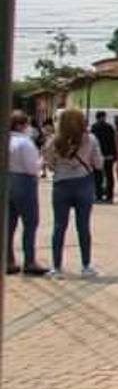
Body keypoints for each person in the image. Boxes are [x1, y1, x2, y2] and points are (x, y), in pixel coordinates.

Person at [43, 108, 103, 278]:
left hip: (61, 184)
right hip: (84, 183)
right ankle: (85, 266)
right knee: (83, 226)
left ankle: (56, 267)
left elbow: (50, 165)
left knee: (59, 226)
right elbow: (98, 164)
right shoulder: (90, 139)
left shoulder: (53, 141)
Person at [7, 111, 48, 276]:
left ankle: (8, 260)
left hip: (8, 180)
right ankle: (29, 261)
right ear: (20, 125)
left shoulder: (6, 140)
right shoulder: (25, 143)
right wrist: (42, 161)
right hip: (24, 181)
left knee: (9, 224)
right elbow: (32, 167)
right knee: (30, 223)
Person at [90, 111, 117, 203]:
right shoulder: (110, 127)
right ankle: (110, 197)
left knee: (98, 176)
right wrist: (114, 154)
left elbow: (92, 143)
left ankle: (99, 196)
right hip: (109, 155)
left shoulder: (94, 127)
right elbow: (113, 142)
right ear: (104, 117)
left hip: (98, 155)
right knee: (109, 176)